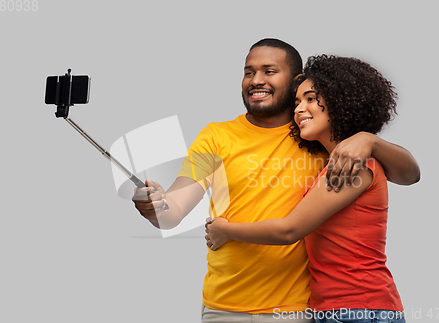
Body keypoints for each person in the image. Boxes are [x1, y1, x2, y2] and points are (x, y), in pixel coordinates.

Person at [133, 39, 419, 322]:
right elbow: (174, 210)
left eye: (269, 71)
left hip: (296, 309)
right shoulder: (215, 138)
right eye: (248, 72)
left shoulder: (322, 143)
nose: (256, 80)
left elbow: (408, 175)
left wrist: (369, 140)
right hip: (224, 307)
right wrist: (157, 205)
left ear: (295, 81)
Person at [205, 54, 409, 323]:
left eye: (311, 99)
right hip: (338, 308)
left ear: (340, 99)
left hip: (359, 307)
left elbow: (290, 230)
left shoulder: (351, 167)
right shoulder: (334, 162)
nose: (299, 109)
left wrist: (224, 229)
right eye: (297, 102)